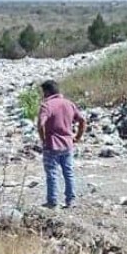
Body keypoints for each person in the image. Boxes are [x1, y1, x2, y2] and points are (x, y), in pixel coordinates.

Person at [37, 79, 87, 208]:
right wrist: (77, 137)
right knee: (68, 172)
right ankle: (71, 200)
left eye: (43, 92)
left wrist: (44, 140)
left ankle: (52, 201)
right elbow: (82, 120)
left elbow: (40, 124)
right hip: (67, 144)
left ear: (47, 92)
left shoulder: (46, 106)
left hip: (52, 144)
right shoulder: (69, 104)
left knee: (52, 174)